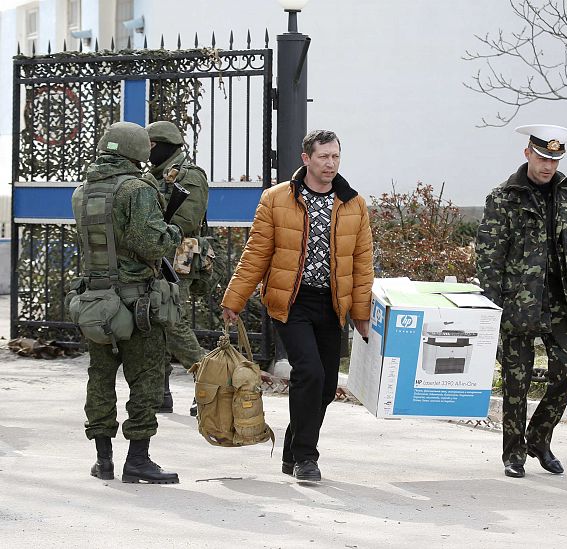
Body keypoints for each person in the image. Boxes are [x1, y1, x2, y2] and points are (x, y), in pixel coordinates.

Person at [221, 129, 374, 482]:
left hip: (333, 304)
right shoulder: (277, 199)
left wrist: (361, 314)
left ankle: (292, 446)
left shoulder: (354, 203)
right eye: (323, 156)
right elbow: (257, 252)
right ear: (306, 159)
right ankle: (307, 456)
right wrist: (235, 298)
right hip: (291, 302)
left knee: (325, 385)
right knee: (310, 373)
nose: (330, 163)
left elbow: (363, 261)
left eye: (335, 156)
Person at [476, 124, 567, 479]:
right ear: (527, 154)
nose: (547, 166)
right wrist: (494, 308)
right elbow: (488, 257)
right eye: (542, 157)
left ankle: (539, 437)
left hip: (560, 301)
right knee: (516, 381)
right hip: (517, 304)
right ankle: (514, 453)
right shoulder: (504, 197)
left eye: (554, 159)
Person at [72, 121, 183, 483]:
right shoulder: (136, 189)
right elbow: (150, 242)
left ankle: (103, 460)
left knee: (100, 377)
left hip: (95, 301)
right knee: (146, 378)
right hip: (136, 304)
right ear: (138, 152)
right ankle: (137, 460)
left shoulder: (82, 191)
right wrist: (174, 232)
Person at [146, 120, 210, 415]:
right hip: (153, 256)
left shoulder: (190, 176)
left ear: (164, 146)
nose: (147, 152)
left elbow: (185, 220)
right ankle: (160, 391)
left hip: (178, 256)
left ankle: (209, 381)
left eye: (151, 146)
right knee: (154, 322)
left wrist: (147, 226)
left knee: (173, 320)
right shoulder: (152, 176)